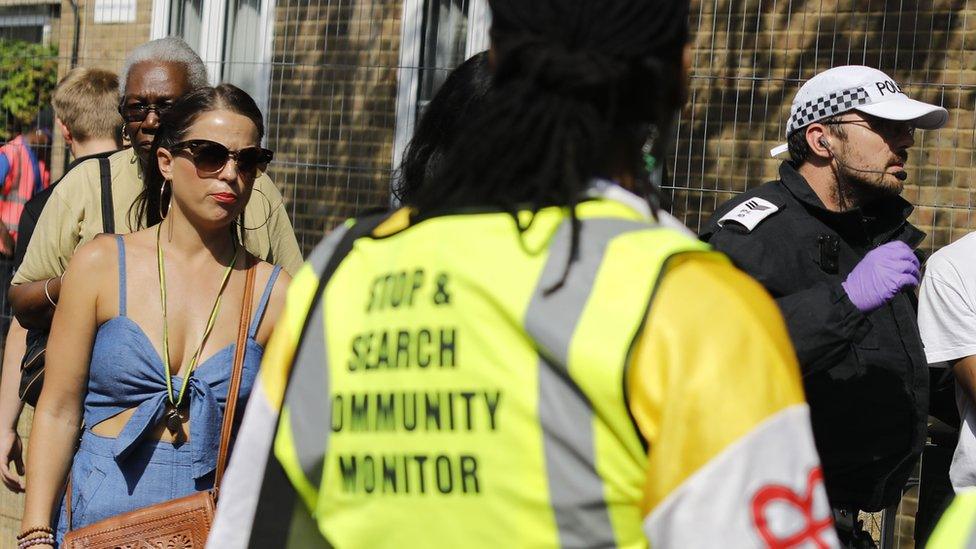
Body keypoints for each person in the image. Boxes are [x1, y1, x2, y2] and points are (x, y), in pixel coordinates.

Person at [210, 1, 834, 547]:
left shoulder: (346, 267)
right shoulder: (694, 300)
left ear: (499, 58)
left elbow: (251, 527)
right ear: (677, 76)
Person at [18, 84, 290, 547]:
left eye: (248, 161)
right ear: (166, 161)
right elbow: (58, 409)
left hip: (209, 525)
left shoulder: (272, 291)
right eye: (209, 155)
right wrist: (35, 531)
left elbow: (283, 442)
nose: (230, 174)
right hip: (96, 517)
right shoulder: (101, 264)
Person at [700, 65, 947, 546]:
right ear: (820, 139)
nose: (906, 142)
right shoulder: (752, 236)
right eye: (885, 126)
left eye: (907, 128)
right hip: (765, 523)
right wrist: (845, 302)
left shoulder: (876, 234)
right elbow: (724, 358)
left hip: (848, 526)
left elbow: (918, 370)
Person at [8, 36, 303, 335]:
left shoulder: (248, 186)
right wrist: (89, 280)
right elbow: (22, 299)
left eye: (166, 107)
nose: (150, 121)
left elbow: (297, 305)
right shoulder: (88, 184)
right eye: (136, 108)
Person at [0, 67, 123, 494]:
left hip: (66, 395)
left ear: (65, 131)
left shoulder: (50, 203)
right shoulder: (158, 187)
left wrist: (5, 426)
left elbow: (24, 321)